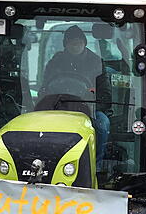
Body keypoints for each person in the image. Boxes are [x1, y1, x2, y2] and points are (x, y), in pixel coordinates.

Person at [42, 25, 110, 166]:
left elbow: (105, 92)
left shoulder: (96, 62)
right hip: (59, 106)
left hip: (89, 108)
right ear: (65, 45)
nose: (75, 45)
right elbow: (45, 86)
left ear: (84, 43)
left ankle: (94, 165)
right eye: (71, 42)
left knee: (102, 124)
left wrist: (93, 104)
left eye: (78, 42)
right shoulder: (55, 61)